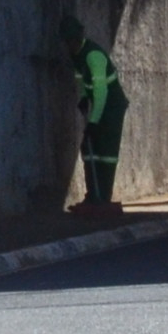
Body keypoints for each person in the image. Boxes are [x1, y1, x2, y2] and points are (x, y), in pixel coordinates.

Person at [67, 20, 128, 214]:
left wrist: (93, 122)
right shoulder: (76, 55)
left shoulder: (94, 55)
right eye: (69, 41)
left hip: (112, 106)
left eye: (74, 40)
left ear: (79, 38)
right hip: (100, 105)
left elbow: (101, 92)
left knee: (106, 153)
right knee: (90, 150)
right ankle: (93, 195)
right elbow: (81, 79)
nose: (72, 44)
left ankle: (103, 197)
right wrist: (84, 97)